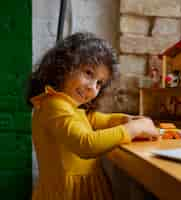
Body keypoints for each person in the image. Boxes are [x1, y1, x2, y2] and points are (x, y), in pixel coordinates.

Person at [27, 32, 159, 200]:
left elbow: (99, 119)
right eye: (88, 73)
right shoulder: (53, 105)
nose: (92, 87)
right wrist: (131, 129)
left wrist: (126, 119)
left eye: (99, 83)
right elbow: (86, 144)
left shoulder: (72, 108)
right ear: (63, 66)